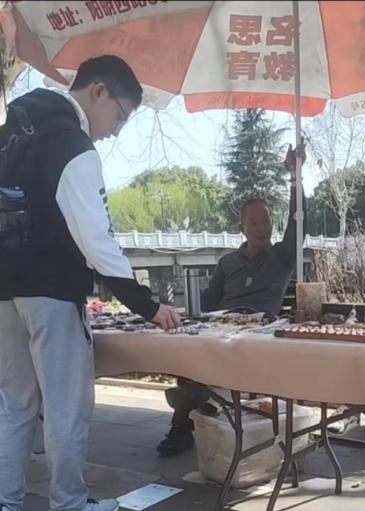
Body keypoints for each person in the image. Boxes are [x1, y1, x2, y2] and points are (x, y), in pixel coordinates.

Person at [0, 56, 179, 511]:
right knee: (66, 407)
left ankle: (5, 501)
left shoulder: (13, 131)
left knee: (16, 403)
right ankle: (69, 503)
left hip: (3, 292)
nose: (115, 130)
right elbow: (96, 240)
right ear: (99, 91)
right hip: (52, 291)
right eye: (121, 115)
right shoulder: (72, 145)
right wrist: (147, 304)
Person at [157, 143, 306, 457]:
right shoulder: (227, 263)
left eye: (266, 220)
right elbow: (209, 304)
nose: (261, 227)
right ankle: (190, 412)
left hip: (258, 336)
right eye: (254, 222)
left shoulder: (282, 257)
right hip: (221, 331)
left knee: (203, 371)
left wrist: (296, 178)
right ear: (242, 228)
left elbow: (298, 223)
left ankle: (184, 418)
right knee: (188, 353)